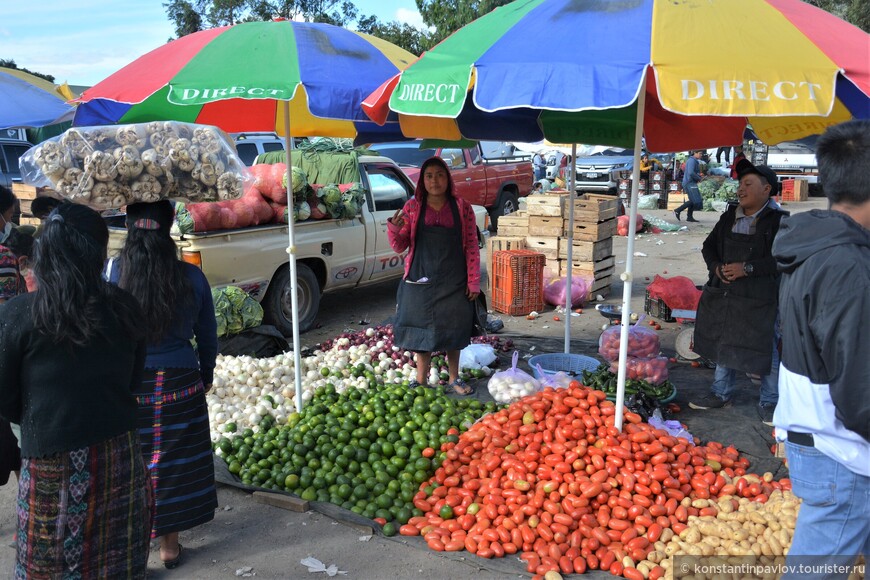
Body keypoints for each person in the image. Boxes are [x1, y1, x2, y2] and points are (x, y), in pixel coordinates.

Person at [0, 202, 152, 577]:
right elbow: (134, 382)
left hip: (51, 463)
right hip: (121, 458)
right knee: (119, 563)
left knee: (47, 568)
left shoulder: (21, 314)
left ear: (45, 255)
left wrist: (43, 417)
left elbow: (5, 399)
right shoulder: (125, 306)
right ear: (100, 254)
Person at [771, 120, 869, 574]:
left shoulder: (815, 245)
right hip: (843, 449)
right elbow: (860, 388)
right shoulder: (849, 265)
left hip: (816, 435)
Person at [109, 200, 218, 569]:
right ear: (170, 226)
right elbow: (207, 335)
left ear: (128, 226)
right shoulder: (191, 276)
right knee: (175, 463)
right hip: (181, 382)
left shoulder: (113, 271)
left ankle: (135, 540)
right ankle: (169, 545)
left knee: (132, 463)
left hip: (129, 382)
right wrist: (207, 374)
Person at [689, 160, 788, 425]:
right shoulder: (729, 216)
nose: (741, 190)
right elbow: (708, 247)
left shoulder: (779, 221)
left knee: (766, 347)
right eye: (740, 184)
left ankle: (771, 401)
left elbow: (784, 259)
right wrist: (717, 268)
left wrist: (748, 267)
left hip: (760, 298)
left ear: (766, 189)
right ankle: (721, 393)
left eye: (748, 184)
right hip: (726, 293)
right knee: (725, 340)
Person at [388, 156, 481, 395]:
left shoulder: (462, 207)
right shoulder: (412, 207)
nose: (434, 181)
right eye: (428, 176)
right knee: (420, 328)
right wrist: (394, 228)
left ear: (448, 178)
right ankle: (420, 380)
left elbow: (471, 244)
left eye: (439, 175)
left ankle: (453, 378)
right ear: (422, 181)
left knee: (454, 327)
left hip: (454, 278)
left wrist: (473, 281)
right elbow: (399, 246)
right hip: (420, 278)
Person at [674, 150, 704, 222]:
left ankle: (689, 217)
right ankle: (678, 210)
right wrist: (699, 178)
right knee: (695, 200)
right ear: (695, 153)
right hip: (689, 183)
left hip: (691, 182)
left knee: (692, 200)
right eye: (700, 153)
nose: (701, 155)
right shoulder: (692, 161)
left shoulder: (693, 161)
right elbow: (691, 172)